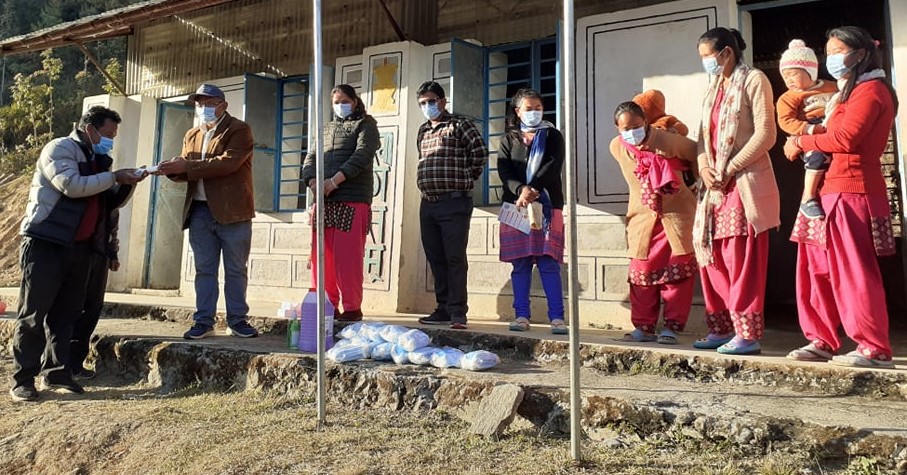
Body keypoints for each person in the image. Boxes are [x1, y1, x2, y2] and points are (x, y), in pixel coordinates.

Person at [10, 106, 143, 402]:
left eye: (113, 137)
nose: (110, 141)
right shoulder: (59, 148)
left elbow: (107, 202)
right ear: (89, 128)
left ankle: (58, 372)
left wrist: (127, 182)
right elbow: (70, 185)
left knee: (66, 314)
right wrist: (114, 176)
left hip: (80, 247)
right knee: (33, 314)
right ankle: (23, 379)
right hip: (47, 241)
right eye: (107, 135)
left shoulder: (98, 159)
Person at [783, 26, 898, 368]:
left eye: (837, 51)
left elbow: (846, 138)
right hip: (826, 190)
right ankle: (821, 339)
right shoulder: (845, 93)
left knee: (853, 270)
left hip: (851, 187)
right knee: (815, 268)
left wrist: (802, 142)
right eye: (828, 52)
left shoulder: (872, 90)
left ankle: (873, 347)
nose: (831, 59)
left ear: (860, 54)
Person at [692, 27, 780, 356]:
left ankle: (746, 333)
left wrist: (729, 168)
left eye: (708, 57)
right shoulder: (712, 89)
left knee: (740, 256)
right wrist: (704, 168)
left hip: (743, 184)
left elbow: (766, 134)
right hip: (712, 188)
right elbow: (703, 139)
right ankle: (721, 326)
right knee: (711, 257)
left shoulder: (754, 80)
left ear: (727, 53)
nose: (706, 63)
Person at [157, 83, 259, 340]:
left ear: (223, 105)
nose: (203, 108)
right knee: (204, 269)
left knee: (235, 268)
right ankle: (203, 320)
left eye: (209, 103)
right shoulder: (191, 134)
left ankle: (237, 320)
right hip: (200, 211)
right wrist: (171, 169)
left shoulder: (239, 129)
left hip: (233, 211)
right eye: (199, 103)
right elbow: (187, 170)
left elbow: (228, 163)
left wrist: (187, 165)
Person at [610, 101, 698, 345]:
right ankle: (643, 326)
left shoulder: (669, 141)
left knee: (677, 275)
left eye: (637, 125)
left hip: (676, 217)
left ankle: (672, 327)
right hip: (642, 220)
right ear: (617, 128)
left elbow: (697, 154)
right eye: (625, 127)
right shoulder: (617, 147)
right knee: (641, 274)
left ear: (645, 122)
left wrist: (690, 181)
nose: (632, 131)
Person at [302, 84, 380, 323]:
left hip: (351, 199)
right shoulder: (325, 128)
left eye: (344, 100)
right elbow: (311, 158)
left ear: (355, 101)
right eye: (336, 101)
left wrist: (335, 181)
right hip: (324, 202)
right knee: (321, 257)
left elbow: (362, 154)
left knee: (347, 257)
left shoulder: (367, 125)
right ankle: (327, 305)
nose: (340, 105)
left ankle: (352, 308)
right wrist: (313, 181)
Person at [414, 81, 488, 330]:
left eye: (431, 101)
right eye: (423, 103)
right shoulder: (423, 130)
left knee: (454, 256)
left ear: (443, 101)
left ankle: (457, 312)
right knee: (435, 258)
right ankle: (443, 308)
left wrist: (465, 180)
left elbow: (480, 153)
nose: (428, 106)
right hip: (428, 204)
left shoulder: (460, 125)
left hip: (454, 202)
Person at [497, 88, 567, 335]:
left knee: (549, 263)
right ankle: (521, 316)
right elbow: (504, 171)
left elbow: (552, 165)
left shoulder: (553, 136)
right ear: (518, 112)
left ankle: (557, 318)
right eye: (529, 108)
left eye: (538, 108)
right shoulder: (508, 140)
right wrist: (521, 191)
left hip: (547, 206)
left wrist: (532, 188)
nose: (535, 112)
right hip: (516, 207)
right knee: (521, 265)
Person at [69, 173, 133, 380]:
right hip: (74, 250)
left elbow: (112, 215)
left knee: (92, 308)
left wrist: (113, 252)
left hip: (99, 252)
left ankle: (75, 364)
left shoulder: (107, 181)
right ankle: (56, 363)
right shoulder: (77, 177)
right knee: (70, 308)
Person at [776, 39, 839, 219]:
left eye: (793, 74)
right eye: (785, 76)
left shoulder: (833, 87)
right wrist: (810, 129)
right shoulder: (788, 98)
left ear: (810, 71)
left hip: (833, 128)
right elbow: (786, 121)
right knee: (817, 157)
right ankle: (808, 197)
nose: (789, 80)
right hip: (809, 132)